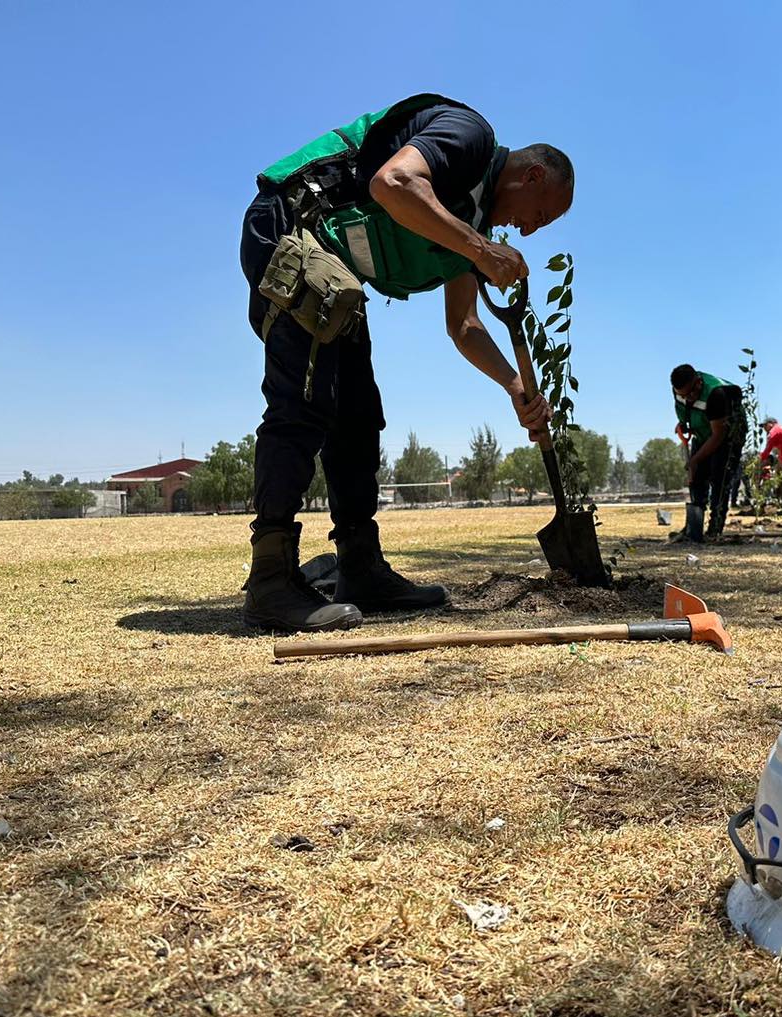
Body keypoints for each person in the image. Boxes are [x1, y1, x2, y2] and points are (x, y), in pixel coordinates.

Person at [239, 94, 573, 632]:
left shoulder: (471, 229)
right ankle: (270, 580)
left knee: (357, 417)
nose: (531, 230)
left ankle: (359, 567)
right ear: (532, 176)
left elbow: (463, 326)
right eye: (542, 215)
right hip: (292, 223)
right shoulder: (470, 136)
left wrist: (514, 386)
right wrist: (482, 252)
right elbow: (391, 183)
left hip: (335, 268)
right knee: (303, 403)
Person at [670, 364, 747, 541]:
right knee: (696, 477)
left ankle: (715, 529)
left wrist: (695, 459)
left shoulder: (715, 395)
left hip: (728, 436)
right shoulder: (679, 391)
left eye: (690, 394)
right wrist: (683, 424)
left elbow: (719, 436)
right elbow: (686, 412)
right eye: (682, 395)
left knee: (720, 478)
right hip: (703, 433)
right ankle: (693, 527)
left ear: (698, 383)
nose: (686, 399)